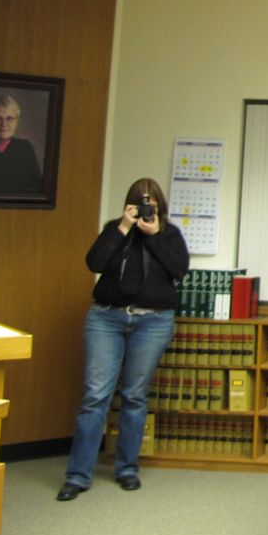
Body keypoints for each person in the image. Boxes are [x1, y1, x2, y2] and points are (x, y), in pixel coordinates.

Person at [57, 178, 188, 501]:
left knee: (134, 396)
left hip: (152, 322)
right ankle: (77, 475)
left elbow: (179, 270)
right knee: (94, 396)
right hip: (106, 318)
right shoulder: (115, 229)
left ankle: (127, 469)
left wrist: (154, 235)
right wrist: (122, 228)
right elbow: (95, 263)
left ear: (160, 206)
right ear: (129, 205)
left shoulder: (169, 234)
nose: (145, 210)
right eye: (139, 204)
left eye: (151, 205)